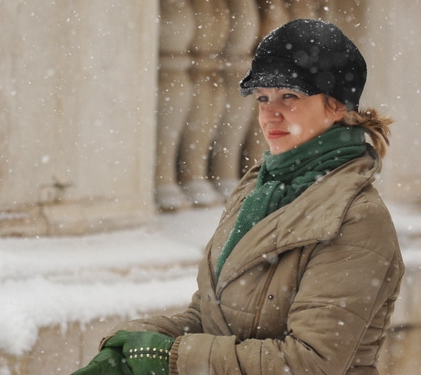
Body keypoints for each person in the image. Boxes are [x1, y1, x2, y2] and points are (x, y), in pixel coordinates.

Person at [72, 18, 404, 375]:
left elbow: (309, 362)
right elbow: (211, 318)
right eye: (262, 98)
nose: (270, 114)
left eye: (289, 96)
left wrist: (170, 356)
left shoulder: (356, 217)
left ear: (336, 105)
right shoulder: (257, 190)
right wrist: (132, 343)